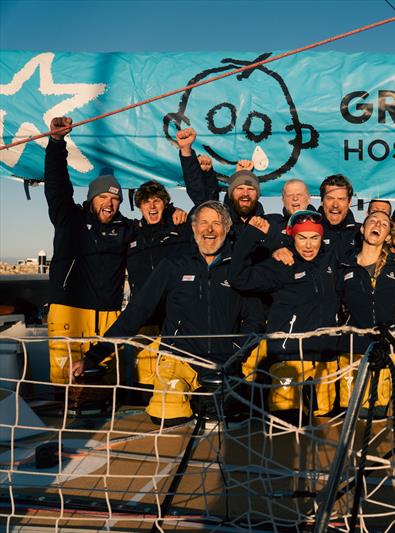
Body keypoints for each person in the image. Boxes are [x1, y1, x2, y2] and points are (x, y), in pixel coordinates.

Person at [72, 201, 264, 425]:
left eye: (216, 223)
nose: (209, 230)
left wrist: (235, 353)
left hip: (224, 362)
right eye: (203, 223)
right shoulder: (173, 266)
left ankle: (207, 401)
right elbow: (137, 311)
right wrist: (94, 355)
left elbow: (255, 319)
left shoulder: (238, 270)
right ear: (194, 229)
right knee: (166, 415)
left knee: (224, 417)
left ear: (227, 228)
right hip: (178, 359)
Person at [43, 117, 137, 392]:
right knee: (65, 381)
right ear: (92, 198)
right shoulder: (68, 217)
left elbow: (155, 229)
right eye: (103, 197)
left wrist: (172, 214)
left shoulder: (126, 228)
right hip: (68, 310)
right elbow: (56, 183)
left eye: (115, 198)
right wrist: (57, 142)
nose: (109, 203)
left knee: (105, 383)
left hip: (107, 314)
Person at [230, 210, 340, 418]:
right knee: (287, 419)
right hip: (288, 358)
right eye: (302, 238)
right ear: (292, 237)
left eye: (314, 238)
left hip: (324, 359)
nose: (308, 245)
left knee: (323, 422)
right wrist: (253, 236)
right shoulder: (282, 263)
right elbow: (239, 278)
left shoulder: (329, 261)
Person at [126, 181, 192, 401]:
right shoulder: (132, 233)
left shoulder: (179, 227)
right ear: (139, 206)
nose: (152, 206)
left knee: (172, 365)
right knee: (144, 367)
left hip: (174, 313)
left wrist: (175, 211)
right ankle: (144, 405)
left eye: (157, 201)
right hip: (144, 313)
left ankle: (174, 404)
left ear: (165, 203)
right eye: (146, 202)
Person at [337, 210, 395, 413]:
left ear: (388, 236)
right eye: (373, 221)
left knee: (380, 413)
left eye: (384, 224)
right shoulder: (344, 265)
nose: (377, 224)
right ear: (362, 228)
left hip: (388, 349)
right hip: (352, 348)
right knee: (353, 414)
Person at [318, 174, 361, 261]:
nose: (335, 205)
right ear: (322, 201)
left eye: (341, 199)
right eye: (330, 198)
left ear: (349, 202)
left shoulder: (361, 233)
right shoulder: (308, 230)